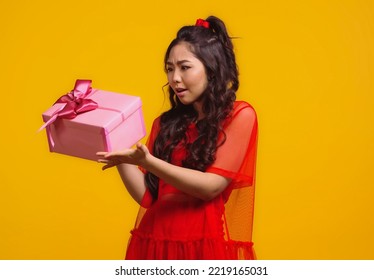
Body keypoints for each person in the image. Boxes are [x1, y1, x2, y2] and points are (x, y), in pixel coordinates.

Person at [97, 16, 258, 260]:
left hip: (200, 246)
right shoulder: (164, 124)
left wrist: (150, 162)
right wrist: (119, 152)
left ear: (211, 68)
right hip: (151, 243)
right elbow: (148, 196)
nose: (175, 79)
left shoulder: (240, 115)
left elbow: (210, 187)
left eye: (184, 67)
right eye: (170, 69)